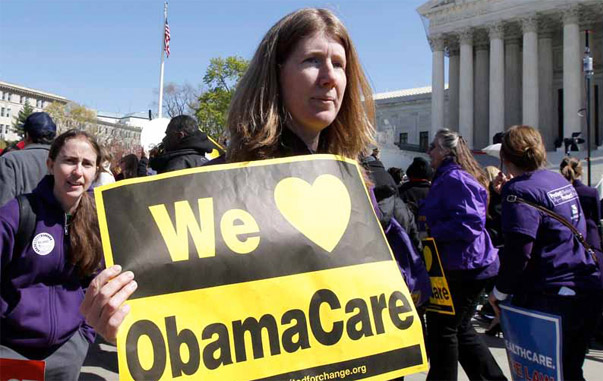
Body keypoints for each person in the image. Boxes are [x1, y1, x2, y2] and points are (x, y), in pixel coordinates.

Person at [80, 7, 381, 344]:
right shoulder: (215, 187)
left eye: (338, 64)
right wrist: (116, 318)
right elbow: (168, 316)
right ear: (275, 74)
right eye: (312, 60)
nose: (329, 77)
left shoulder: (357, 187)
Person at [489, 125, 602, 380]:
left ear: (504, 158)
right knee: (570, 370)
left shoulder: (517, 190)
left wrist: (499, 292)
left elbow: (520, 251)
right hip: (584, 286)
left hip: (551, 294)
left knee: (547, 372)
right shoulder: (558, 180)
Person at [0, 129, 104, 380]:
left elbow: (97, 281)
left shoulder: (96, 220)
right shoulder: (18, 213)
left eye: (87, 164)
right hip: (11, 351)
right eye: (69, 161)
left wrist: (83, 336)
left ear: (96, 172)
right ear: (51, 164)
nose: (78, 171)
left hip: (67, 353)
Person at [419, 128, 505, 381]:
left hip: (465, 266)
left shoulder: (455, 178)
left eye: (433, 146)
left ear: (446, 150)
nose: (428, 151)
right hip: (460, 264)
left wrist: (431, 230)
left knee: (443, 330)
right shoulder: (449, 177)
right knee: (458, 328)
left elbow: (469, 224)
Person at [0, 112, 57, 207]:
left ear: (27, 135)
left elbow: (4, 203)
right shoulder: (63, 161)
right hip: (55, 221)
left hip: (18, 220)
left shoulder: (10, 160)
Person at [560, 156, 603, 252]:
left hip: (566, 240)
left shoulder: (559, 194)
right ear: (580, 171)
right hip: (589, 238)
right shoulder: (591, 192)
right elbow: (597, 219)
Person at [148, 115, 216, 173]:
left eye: (168, 134)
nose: (164, 139)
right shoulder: (206, 162)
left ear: (179, 135)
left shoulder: (177, 165)